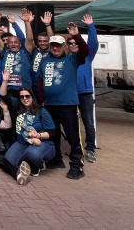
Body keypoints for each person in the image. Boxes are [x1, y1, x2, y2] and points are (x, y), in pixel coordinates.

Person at [38, 22, 89, 180]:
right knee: (53, 135)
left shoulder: (72, 59)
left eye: (58, 45)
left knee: (73, 136)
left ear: (64, 47)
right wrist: (42, 101)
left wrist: (76, 35)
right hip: (50, 105)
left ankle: (77, 165)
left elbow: (85, 51)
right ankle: (56, 159)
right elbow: (40, 81)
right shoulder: (44, 61)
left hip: (68, 105)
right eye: (53, 45)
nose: (55, 48)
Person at [0, 72, 57, 185]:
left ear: (32, 97)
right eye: (22, 96)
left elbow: (52, 132)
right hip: (22, 143)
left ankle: (37, 165)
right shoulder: (18, 105)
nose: (25, 98)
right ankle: (21, 171)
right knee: (8, 160)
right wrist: (5, 81)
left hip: (41, 144)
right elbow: (3, 95)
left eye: (27, 96)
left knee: (32, 153)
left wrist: (38, 135)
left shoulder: (41, 111)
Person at [75, 15, 99, 163]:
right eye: (70, 43)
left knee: (88, 123)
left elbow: (93, 43)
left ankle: (90, 149)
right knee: (72, 124)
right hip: (71, 95)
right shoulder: (67, 58)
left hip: (85, 94)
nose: (73, 45)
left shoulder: (87, 56)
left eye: (76, 43)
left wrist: (90, 26)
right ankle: (76, 148)